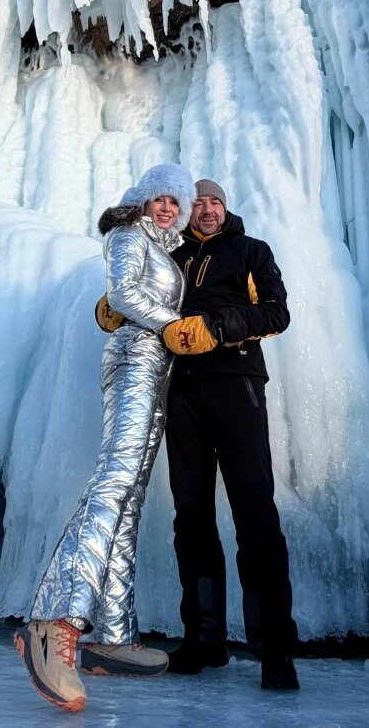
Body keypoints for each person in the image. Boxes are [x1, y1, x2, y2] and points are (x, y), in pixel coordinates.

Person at [14, 163, 195, 713]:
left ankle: (113, 635)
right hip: (136, 361)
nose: (166, 208)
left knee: (131, 497)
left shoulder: (164, 248)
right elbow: (120, 294)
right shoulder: (128, 235)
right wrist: (169, 324)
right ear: (143, 200)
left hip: (157, 365)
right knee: (114, 481)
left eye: (175, 202)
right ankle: (54, 618)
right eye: (160, 198)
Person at [161, 179, 299, 691]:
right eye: (197, 202)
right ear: (185, 211)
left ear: (226, 207)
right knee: (191, 514)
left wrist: (218, 326)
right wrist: (113, 309)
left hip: (236, 383)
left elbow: (276, 312)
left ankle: (274, 649)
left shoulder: (250, 252)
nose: (207, 209)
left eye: (214, 201)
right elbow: (143, 303)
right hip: (182, 392)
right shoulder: (170, 257)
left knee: (254, 510)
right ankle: (204, 640)